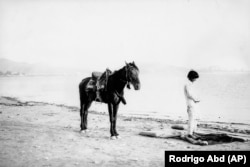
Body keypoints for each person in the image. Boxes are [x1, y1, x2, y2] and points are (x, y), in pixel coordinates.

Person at [184, 70, 200, 138]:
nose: (195, 79)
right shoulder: (187, 84)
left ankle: (192, 132)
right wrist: (195, 99)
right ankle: (190, 134)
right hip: (190, 104)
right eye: (195, 78)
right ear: (191, 77)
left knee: (194, 118)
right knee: (191, 119)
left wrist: (195, 99)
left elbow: (191, 94)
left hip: (192, 103)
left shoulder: (190, 84)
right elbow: (189, 94)